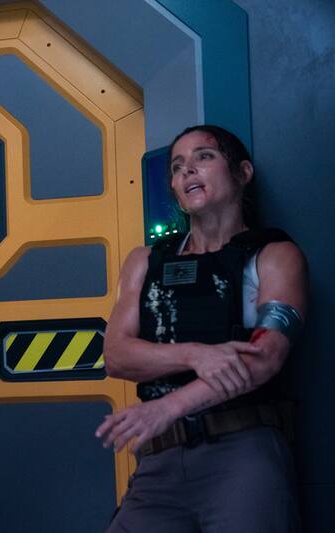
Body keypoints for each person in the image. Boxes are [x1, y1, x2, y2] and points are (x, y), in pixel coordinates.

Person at [95, 125, 307, 532]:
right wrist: (197, 355)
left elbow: (264, 357)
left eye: (203, 157)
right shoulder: (145, 261)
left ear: (243, 172)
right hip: (159, 460)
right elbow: (116, 355)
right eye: (177, 167)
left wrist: (169, 406)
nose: (187, 170)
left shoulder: (274, 255)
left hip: (242, 453)